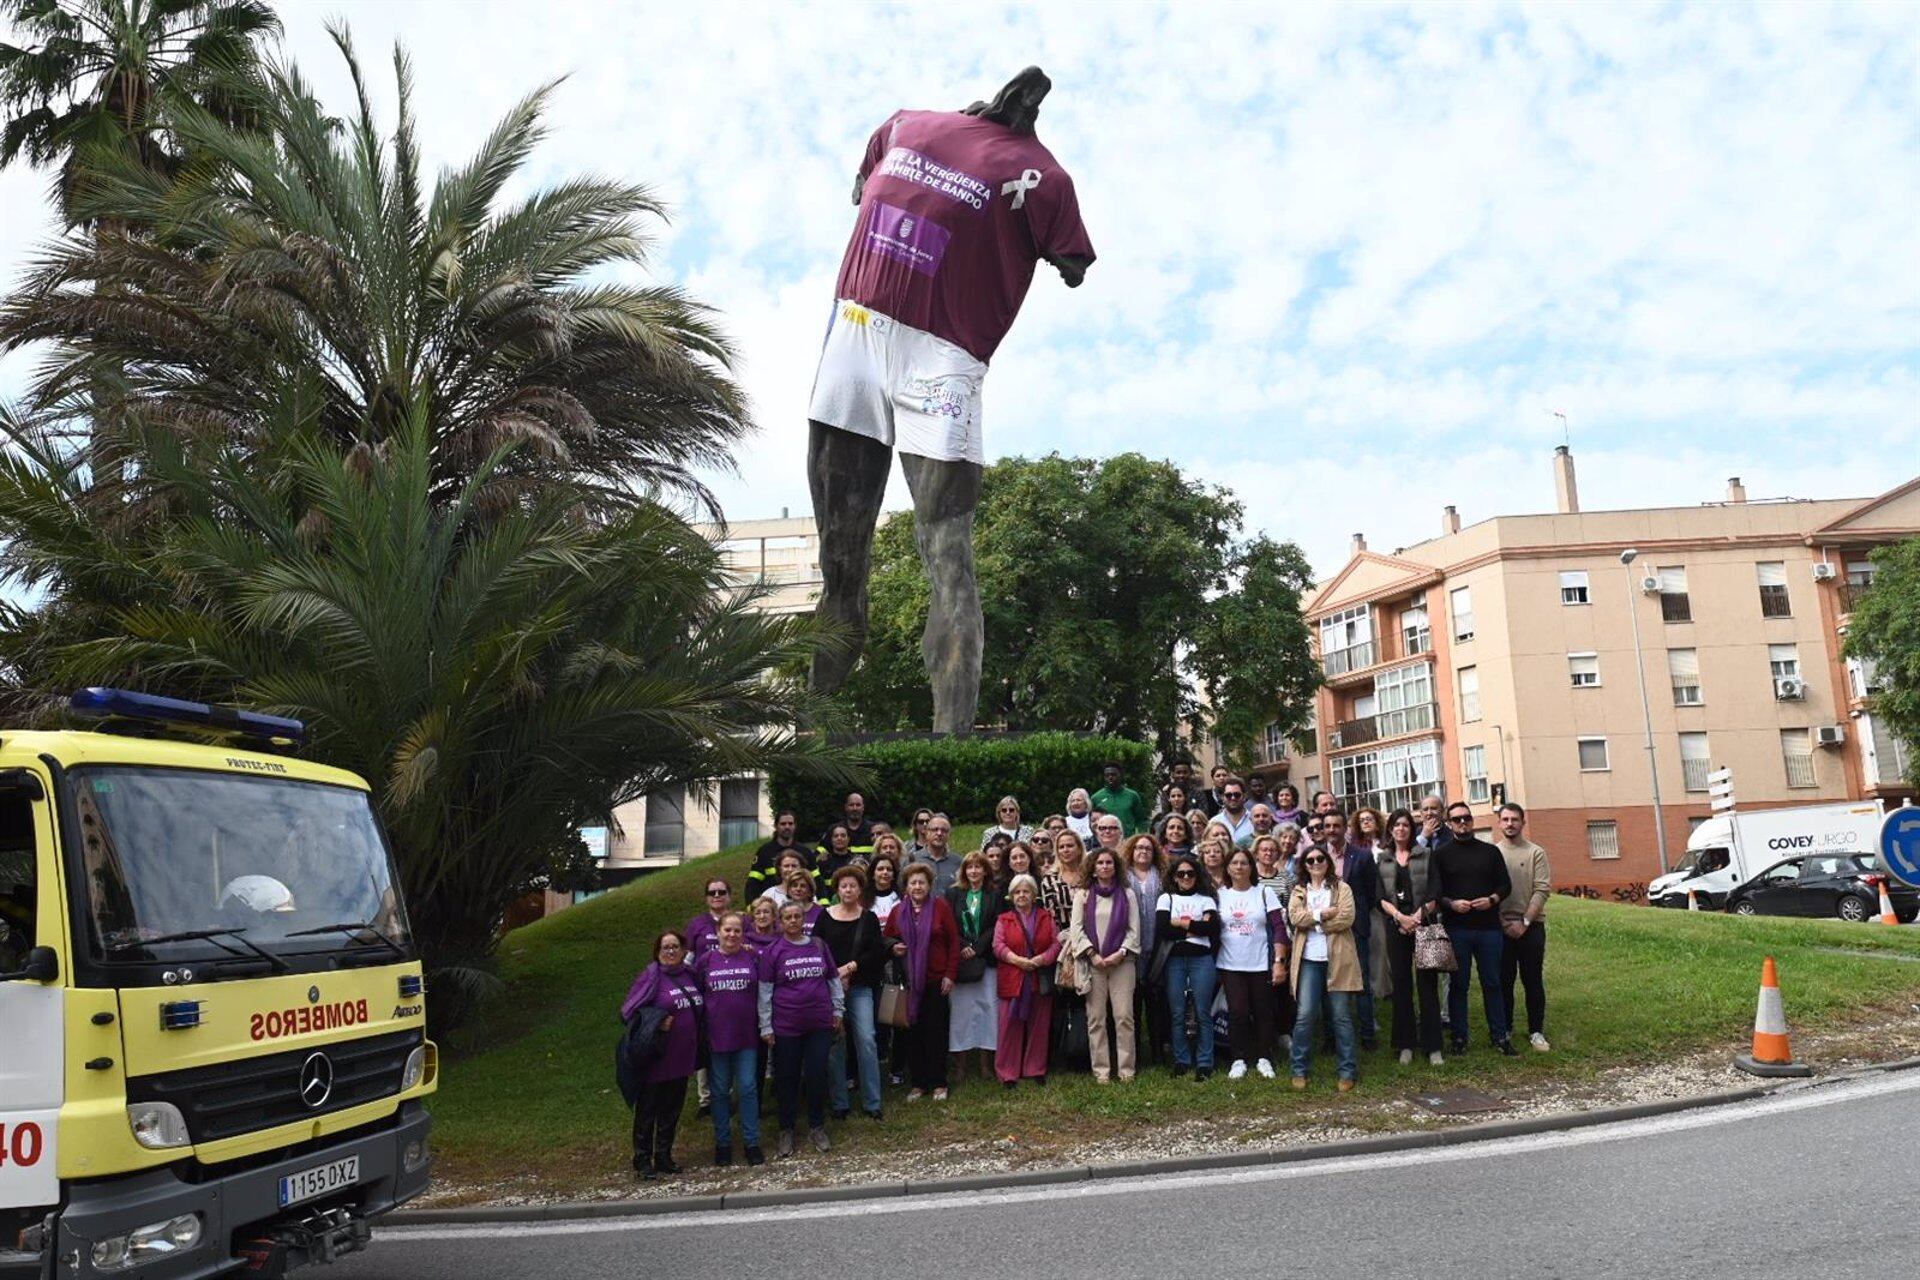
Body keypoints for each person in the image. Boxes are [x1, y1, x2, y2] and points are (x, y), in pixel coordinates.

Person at [1426, 801, 1515, 1056]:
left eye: (1466, 818)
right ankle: (1459, 1037)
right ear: (1449, 823)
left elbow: (1505, 885)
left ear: (1472, 821)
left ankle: (1499, 1036)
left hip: (1489, 929)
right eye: (1456, 820)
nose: (1462, 823)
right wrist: (1451, 904)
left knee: (1493, 983)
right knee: (1458, 985)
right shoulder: (1441, 854)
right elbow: (1435, 892)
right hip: (1457, 929)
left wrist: (1492, 900)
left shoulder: (1490, 852)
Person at [758, 901, 844, 1156]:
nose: (793, 921)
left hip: (819, 1023)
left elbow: (832, 979)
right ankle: (786, 1129)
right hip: (786, 1026)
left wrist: (838, 1010)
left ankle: (817, 1125)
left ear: (802, 919)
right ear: (780, 922)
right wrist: (765, 1025)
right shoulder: (774, 951)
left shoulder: (818, 945)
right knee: (787, 1078)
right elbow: (765, 992)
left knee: (817, 1074)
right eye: (788, 917)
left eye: (797, 916)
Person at [621, 930, 704, 1178]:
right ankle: (643, 1159)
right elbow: (628, 1012)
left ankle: (664, 1155)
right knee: (648, 1110)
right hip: (657, 1057)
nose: (670, 951)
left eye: (674, 946)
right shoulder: (651, 976)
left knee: (672, 1109)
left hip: (682, 1056)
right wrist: (655, 1022)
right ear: (658, 952)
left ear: (683, 950)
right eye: (665, 948)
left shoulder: (690, 975)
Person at [816, 866, 887, 1121]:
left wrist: (849, 968)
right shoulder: (824, 917)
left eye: (853, 886)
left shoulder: (868, 918)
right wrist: (834, 977)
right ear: (837, 889)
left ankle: (872, 1102)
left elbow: (876, 953)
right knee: (836, 1042)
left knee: (866, 1040)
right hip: (830, 990)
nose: (848, 890)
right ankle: (839, 1103)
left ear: (860, 889)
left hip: (860, 987)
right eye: (844, 886)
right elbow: (817, 952)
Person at [885, 863, 960, 1101]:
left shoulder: (940, 907)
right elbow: (886, 939)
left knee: (935, 1032)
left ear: (929, 885)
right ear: (906, 887)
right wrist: (892, 947)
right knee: (912, 1033)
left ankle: (938, 1082)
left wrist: (950, 974)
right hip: (908, 982)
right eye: (913, 882)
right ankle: (918, 1083)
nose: (918, 887)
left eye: (922, 882)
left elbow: (954, 942)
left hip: (936, 980)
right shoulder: (898, 911)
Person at [1287, 846, 1360, 1091]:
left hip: (1337, 959)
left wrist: (1315, 923)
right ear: (1304, 865)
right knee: (1305, 1015)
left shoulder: (1342, 888)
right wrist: (1323, 914)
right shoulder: (1298, 890)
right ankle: (1298, 1069)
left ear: (1327, 862)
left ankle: (1348, 1071)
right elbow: (1296, 918)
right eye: (1310, 860)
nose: (1316, 863)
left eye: (1320, 858)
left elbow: (1347, 918)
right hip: (1308, 960)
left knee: (1341, 1017)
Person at [695, 913, 764, 1166]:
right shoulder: (705, 961)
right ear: (719, 931)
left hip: (746, 1035)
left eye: (737, 930)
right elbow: (698, 996)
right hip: (717, 1037)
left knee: (747, 1088)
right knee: (720, 1091)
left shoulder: (753, 957)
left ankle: (751, 1141)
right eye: (727, 930)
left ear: (742, 933)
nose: (732, 935)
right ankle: (723, 1142)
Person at [1377, 808, 1443, 1066]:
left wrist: (1417, 917)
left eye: (1405, 825)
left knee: (1428, 986)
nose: (1401, 829)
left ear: (1411, 829)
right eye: (1396, 825)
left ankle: (1433, 1046)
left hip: (1424, 925)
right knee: (1402, 987)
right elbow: (1379, 896)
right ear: (1390, 830)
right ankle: (1405, 1044)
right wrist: (1399, 918)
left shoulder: (1426, 855)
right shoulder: (1383, 859)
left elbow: (1436, 890)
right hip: (1396, 928)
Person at [1216, 847, 1287, 1080]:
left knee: (1263, 1011)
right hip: (1230, 963)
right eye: (1234, 863)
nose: (1239, 867)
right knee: (1237, 1012)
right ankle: (1238, 1058)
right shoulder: (1220, 895)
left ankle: (1264, 1057)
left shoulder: (1264, 892)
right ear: (1227, 868)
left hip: (1260, 962)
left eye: (1244, 863)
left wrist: (1279, 962)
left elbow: (1279, 929)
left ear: (1251, 866)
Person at [1070, 846, 1140, 1082]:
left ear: (1116, 866)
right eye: (1100, 863)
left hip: (1122, 963)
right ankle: (1101, 1071)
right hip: (1094, 964)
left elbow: (1134, 930)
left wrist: (1120, 953)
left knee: (1124, 1017)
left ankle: (1126, 1071)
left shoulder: (1127, 894)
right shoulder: (1084, 894)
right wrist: (1092, 954)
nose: (1104, 866)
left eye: (1109, 863)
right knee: (1096, 1019)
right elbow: (1076, 930)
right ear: (1093, 867)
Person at [1495, 802, 1553, 1053]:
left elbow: (1541, 890)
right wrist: (1504, 923)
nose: (1510, 824)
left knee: (1533, 981)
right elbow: (1489, 890)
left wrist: (1525, 922)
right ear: (1499, 823)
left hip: (1532, 927)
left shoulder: (1536, 853)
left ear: (1522, 822)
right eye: (1505, 819)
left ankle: (1536, 1031)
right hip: (1502, 928)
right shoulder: (1493, 853)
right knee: (1504, 981)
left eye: (1514, 820)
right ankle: (1505, 1028)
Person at [993, 873, 1060, 1086]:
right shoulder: (1004, 919)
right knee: (1009, 1026)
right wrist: (1017, 960)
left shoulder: (1046, 917)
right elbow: (998, 945)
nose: (1022, 895)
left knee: (1039, 1024)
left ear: (1034, 895)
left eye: (1026, 891)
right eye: (1018, 892)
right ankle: (1008, 1072)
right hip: (1013, 977)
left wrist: (1040, 960)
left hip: (1039, 977)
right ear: (1011, 896)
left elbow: (1056, 944)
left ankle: (1035, 1068)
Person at [1322, 810, 1380, 1051]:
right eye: (1328, 826)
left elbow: (1371, 891)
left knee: (1361, 983)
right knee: (1329, 983)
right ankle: (1331, 1037)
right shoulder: (1317, 856)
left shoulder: (1363, 856)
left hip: (1356, 928)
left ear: (1345, 827)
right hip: (1324, 930)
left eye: (1337, 825)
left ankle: (1367, 1035)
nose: (1332, 830)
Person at [1156, 859, 1220, 1078]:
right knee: (1177, 1012)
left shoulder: (1207, 899)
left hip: (1202, 960)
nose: (1186, 878)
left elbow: (1211, 927)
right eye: (1181, 874)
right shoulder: (1166, 898)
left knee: (1203, 1012)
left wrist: (1180, 923)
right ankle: (1181, 1060)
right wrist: (1194, 929)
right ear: (1174, 877)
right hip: (1174, 961)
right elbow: (1162, 928)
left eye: (1190, 873)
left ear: (1197, 875)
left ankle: (1204, 1062)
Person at [944, 851, 1002, 1081]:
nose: (974, 871)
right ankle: (960, 1064)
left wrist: (977, 948)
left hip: (985, 959)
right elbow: (949, 924)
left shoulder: (994, 894)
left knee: (989, 1010)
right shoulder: (953, 893)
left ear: (986, 870)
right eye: (970, 867)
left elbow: (996, 924)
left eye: (979, 867)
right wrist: (962, 945)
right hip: (961, 960)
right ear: (964, 870)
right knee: (961, 1013)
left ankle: (986, 1063)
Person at [1125, 833, 1165, 1066]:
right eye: (1139, 847)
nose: (1143, 851)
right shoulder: (1123, 876)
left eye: (1148, 848)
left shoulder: (1161, 876)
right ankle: (1135, 1054)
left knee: (1155, 1004)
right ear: (1131, 850)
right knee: (1131, 1004)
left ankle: (1158, 1053)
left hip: (1157, 946)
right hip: (1130, 947)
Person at [747, 812, 808, 900]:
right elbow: (753, 883)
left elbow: (816, 880)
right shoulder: (765, 852)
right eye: (783, 824)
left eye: (790, 824)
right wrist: (752, 906)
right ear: (776, 826)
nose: (787, 826)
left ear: (795, 826)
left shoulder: (805, 852)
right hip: (772, 902)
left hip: (801, 902)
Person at [1040, 828, 1087, 932]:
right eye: (1061, 847)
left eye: (1070, 846)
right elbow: (1051, 915)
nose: (1065, 850)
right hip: (1063, 937)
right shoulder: (1049, 880)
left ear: (1079, 849)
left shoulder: (1090, 876)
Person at [1089, 762, 1150, 837]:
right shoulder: (1096, 798)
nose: (1110, 777)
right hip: (1105, 841)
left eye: (1113, 775)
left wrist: (1140, 837)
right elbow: (1091, 822)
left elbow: (1141, 820)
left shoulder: (1132, 796)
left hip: (1127, 841)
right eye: (1107, 775)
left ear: (1120, 775)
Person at [910, 813, 962, 895]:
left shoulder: (958, 862)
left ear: (949, 835)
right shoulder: (913, 859)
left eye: (944, 830)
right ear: (927, 833)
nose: (939, 833)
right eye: (935, 829)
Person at [686, 877, 735, 960]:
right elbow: (687, 953)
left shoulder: (741, 921)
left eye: (721, 892)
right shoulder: (696, 924)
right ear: (706, 898)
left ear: (729, 896)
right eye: (712, 893)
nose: (716, 895)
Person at [822, 792, 878, 859]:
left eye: (858, 805)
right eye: (851, 805)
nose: (855, 808)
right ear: (846, 807)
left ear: (863, 807)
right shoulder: (834, 829)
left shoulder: (874, 830)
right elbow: (820, 854)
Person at [1215, 779, 1255, 847]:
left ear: (1244, 796)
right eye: (1228, 795)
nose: (1233, 798)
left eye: (1237, 795)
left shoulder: (1255, 820)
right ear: (1222, 797)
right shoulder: (1214, 822)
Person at [868, 842, 903, 920]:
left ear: (894, 875)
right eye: (880, 869)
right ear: (873, 874)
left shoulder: (902, 898)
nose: (885, 872)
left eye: (889, 869)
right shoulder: (863, 899)